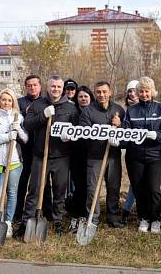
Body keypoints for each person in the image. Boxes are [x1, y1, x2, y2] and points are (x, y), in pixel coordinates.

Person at [19, 75, 79, 236]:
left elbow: (77, 130)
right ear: (48, 87)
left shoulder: (70, 107)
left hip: (61, 157)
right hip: (40, 155)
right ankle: (26, 222)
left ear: (63, 89)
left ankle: (57, 220)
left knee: (60, 191)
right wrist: (43, 115)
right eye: (53, 86)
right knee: (35, 190)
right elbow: (27, 124)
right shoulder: (37, 104)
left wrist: (71, 136)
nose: (56, 90)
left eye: (59, 87)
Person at [123, 76, 161, 234]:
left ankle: (155, 218)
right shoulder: (131, 110)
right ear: (137, 93)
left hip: (155, 155)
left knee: (153, 189)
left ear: (152, 91)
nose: (144, 94)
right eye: (141, 91)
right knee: (138, 188)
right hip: (134, 156)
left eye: (147, 91)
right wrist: (118, 139)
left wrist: (157, 135)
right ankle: (143, 218)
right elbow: (125, 132)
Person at [79, 81, 126, 228]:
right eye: (98, 92)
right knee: (93, 188)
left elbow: (128, 132)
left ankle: (113, 217)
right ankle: (92, 217)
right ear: (95, 93)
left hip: (113, 156)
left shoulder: (119, 110)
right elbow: (83, 132)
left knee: (113, 187)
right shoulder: (88, 111)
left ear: (110, 92)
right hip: (95, 156)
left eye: (104, 91)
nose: (102, 95)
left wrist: (120, 126)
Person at [0, 88, 28, 238]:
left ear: (13, 102)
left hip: (14, 161)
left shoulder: (18, 117)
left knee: (12, 192)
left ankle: (8, 222)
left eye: (9, 100)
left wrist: (18, 131)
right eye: (4, 99)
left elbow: (25, 139)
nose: (6, 102)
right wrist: (7, 136)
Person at [14, 75, 47, 226]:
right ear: (25, 87)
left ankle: (45, 210)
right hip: (24, 148)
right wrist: (24, 113)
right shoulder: (20, 103)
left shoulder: (46, 102)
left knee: (43, 182)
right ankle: (18, 212)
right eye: (29, 85)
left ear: (40, 86)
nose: (32, 88)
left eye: (35, 85)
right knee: (22, 181)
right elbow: (14, 119)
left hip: (42, 148)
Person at [66, 85, 94, 232]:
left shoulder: (95, 113)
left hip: (93, 156)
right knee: (79, 186)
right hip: (77, 156)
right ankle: (76, 215)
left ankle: (87, 214)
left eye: (86, 96)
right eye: (80, 96)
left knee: (90, 187)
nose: (83, 99)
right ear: (77, 99)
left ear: (90, 98)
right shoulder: (73, 114)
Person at [120, 80, 139, 225]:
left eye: (134, 90)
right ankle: (126, 210)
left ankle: (144, 211)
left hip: (149, 151)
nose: (132, 93)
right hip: (133, 151)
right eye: (130, 91)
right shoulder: (125, 111)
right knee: (134, 182)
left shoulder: (154, 107)